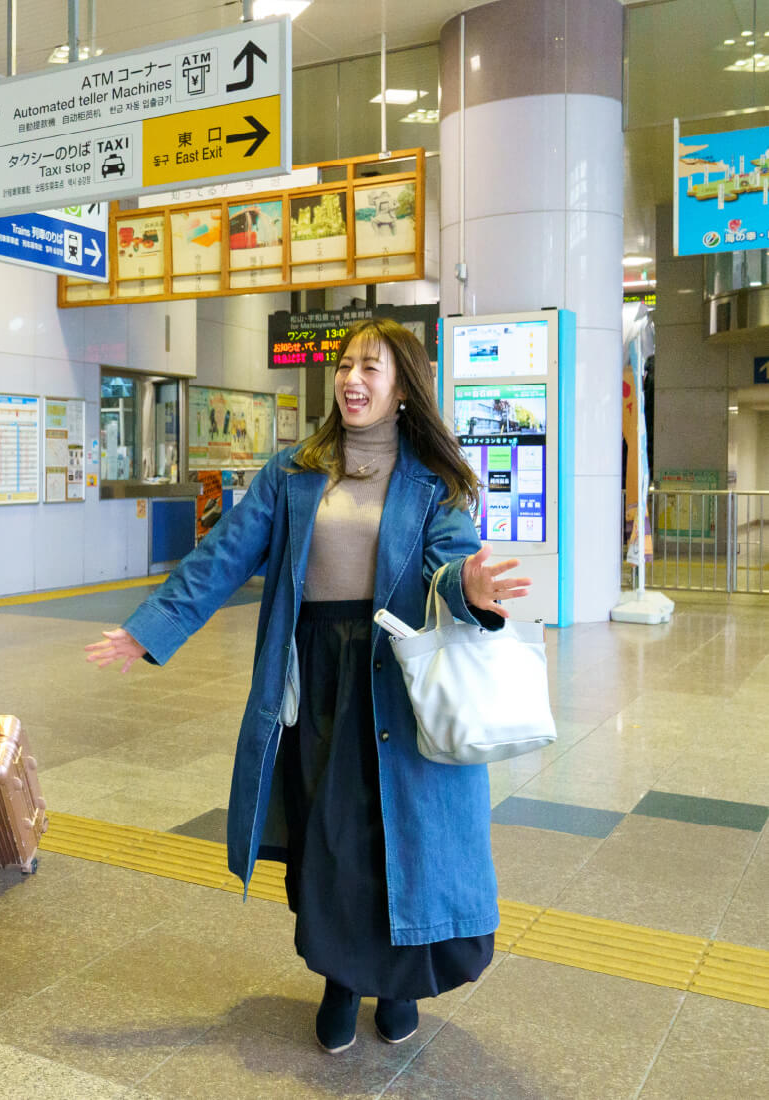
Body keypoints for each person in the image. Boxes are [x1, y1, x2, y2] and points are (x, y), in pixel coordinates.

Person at [86, 318, 531, 1053]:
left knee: (395, 835)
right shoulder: (294, 471)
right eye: (346, 365)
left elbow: (450, 566)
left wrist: (470, 588)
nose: (352, 380)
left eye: (372, 370)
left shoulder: (434, 482)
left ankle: (396, 984)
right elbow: (224, 556)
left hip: (395, 679)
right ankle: (339, 979)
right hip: (316, 677)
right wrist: (149, 629)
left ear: (403, 392)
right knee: (328, 835)